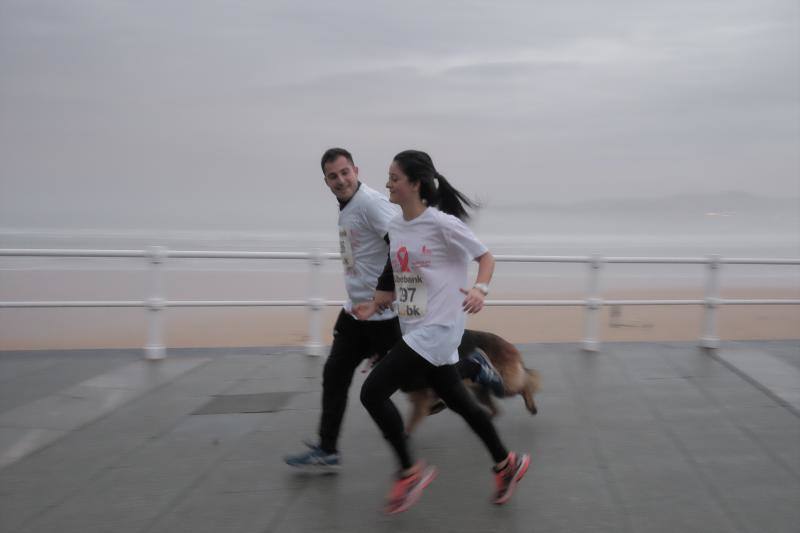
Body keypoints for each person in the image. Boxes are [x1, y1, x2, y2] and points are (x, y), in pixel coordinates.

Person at [284, 148, 504, 472]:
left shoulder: (372, 205)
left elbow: (403, 250)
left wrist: (394, 298)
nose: (341, 180)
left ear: (356, 170)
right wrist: (370, 299)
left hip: (388, 315)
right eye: (333, 176)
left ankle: (470, 369)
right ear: (326, 181)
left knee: (416, 382)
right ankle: (328, 448)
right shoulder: (348, 207)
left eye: (345, 172)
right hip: (360, 311)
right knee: (335, 375)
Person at [355, 150, 530, 514]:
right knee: (461, 402)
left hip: (439, 328)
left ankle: (409, 471)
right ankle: (505, 462)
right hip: (415, 325)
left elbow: (485, 258)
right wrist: (376, 303)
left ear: (415, 184)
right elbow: (400, 271)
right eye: (388, 177)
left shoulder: (442, 224)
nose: (388, 184)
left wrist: (481, 290)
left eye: (394, 178)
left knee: (373, 393)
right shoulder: (398, 226)